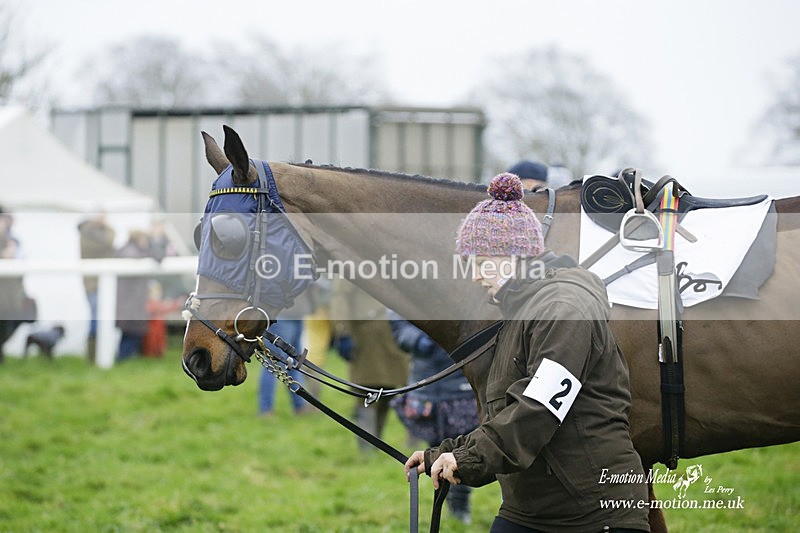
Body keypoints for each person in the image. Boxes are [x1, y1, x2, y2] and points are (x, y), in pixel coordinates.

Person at [404, 173, 650, 532]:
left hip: (593, 513)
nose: (474, 275)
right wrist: (443, 453)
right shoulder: (523, 310)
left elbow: (537, 408)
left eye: (480, 260)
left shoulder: (564, 308)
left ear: (513, 255)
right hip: (534, 508)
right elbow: (508, 410)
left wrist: (467, 458)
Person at [388, 310, 479, 525]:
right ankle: (447, 502)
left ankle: (460, 504)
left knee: (462, 448)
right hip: (427, 385)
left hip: (462, 384)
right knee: (436, 450)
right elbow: (397, 321)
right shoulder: (412, 284)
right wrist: (418, 339)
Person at [331, 279, 410, 452]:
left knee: (389, 390)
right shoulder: (350, 260)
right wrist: (343, 330)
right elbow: (340, 297)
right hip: (365, 336)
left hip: (393, 335)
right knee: (366, 392)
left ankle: (375, 445)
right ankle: (366, 449)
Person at [257, 289, 315, 416]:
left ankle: (300, 406)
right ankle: (265, 409)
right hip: (280, 315)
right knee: (273, 363)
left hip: (298, 312)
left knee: (295, 363)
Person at [115, 229, 164, 361]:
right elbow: (135, 258)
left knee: (130, 333)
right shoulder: (129, 251)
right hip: (129, 301)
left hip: (132, 301)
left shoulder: (134, 250)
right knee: (133, 332)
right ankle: (123, 360)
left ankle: (124, 360)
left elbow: (158, 256)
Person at [78, 213, 116, 364]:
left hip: (99, 284)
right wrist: (108, 228)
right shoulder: (88, 235)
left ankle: (94, 356)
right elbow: (109, 241)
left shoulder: (91, 233)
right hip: (93, 285)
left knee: (98, 318)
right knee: (96, 318)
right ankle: (92, 357)